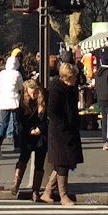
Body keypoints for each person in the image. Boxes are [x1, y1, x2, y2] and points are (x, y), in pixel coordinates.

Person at [42, 60, 83, 204]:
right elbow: (52, 112)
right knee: (63, 163)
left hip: (68, 130)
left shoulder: (71, 89)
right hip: (60, 132)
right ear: (68, 76)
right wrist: (65, 124)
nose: (76, 78)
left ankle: (47, 192)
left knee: (63, 163)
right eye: (74, 76)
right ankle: (63, 195)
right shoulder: (57, 90)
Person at [13, 77, 48, 200]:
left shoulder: (43, 100)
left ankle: (35, 191)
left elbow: (47, 119)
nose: (33, 95)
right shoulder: (23, 103)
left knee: (39, 162)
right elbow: (20, 120)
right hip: (27, 134)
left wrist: (40, 128)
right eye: (30, 93)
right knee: (23, 158)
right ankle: (16, 184)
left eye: (35, 92)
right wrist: (30, 129)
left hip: (40, 135)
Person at [0, 48, 24, 151]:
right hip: (15, 101)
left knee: (4, 124)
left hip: (3, 101)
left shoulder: (1, 74)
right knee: (17, 123)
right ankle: (17, 145)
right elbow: (20, 87)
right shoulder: (17, 74)